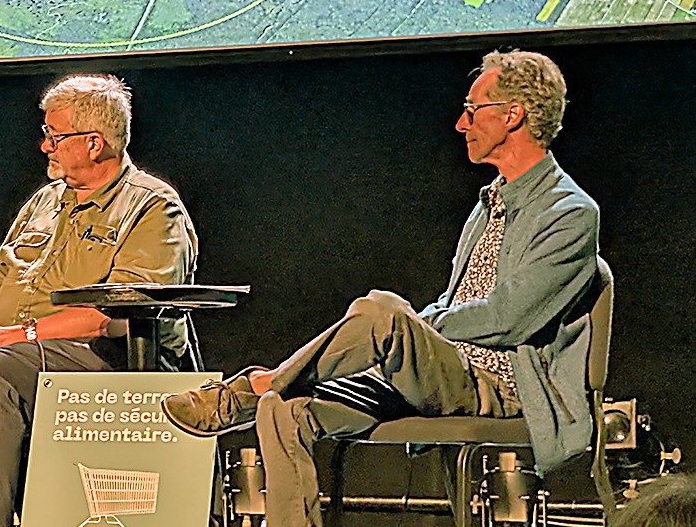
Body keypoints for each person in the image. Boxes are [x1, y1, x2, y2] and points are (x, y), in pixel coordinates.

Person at [162, 49, 601, 527]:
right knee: (284, 408)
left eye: (472, 110)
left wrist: (415, 325)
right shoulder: (488, 204)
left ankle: (251, 386)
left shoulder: (570, 213)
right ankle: (267, 395)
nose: (461, 124)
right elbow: (456, 303)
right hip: (443, 371)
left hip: (500, 385)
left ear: (512, 115)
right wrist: (416, 330)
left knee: (381, 310)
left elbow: (508, 319)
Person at [0, 73, 198, 527]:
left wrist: (22, 336)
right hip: (11, 352)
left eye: (55, 136)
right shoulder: (44, 202)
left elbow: (116, 314)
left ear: (94, 143)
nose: (45, 146)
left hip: (103, 357)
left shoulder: (151, 207)